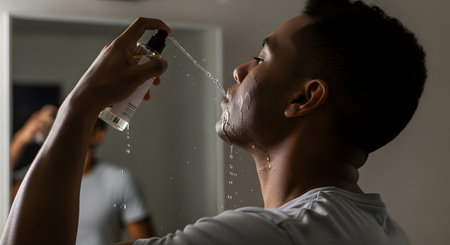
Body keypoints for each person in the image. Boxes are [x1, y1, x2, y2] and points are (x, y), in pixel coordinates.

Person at [0, 0, 427, 244]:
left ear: (303, 98)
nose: (241, 71)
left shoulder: (272, 235)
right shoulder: (382, 230)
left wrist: (81, 101)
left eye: (262, 58)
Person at [10, 114, 156, 244]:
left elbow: (145, 241)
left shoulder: (119, 181)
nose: (63, 131)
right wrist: (20, 139)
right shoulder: (37, 177)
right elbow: (4, 193)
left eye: (73, 123)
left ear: (97, 135)